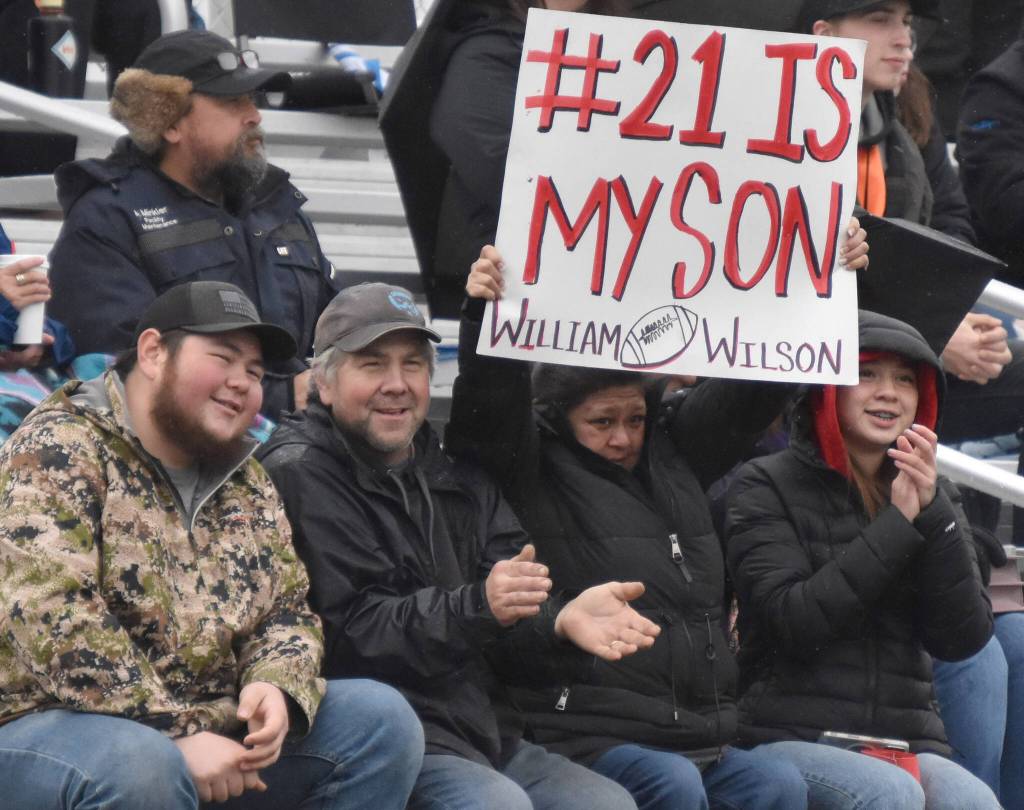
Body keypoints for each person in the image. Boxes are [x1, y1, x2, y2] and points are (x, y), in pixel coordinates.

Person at [443, 242, 883, 809]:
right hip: (582, 732)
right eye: (601, 422)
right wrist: (486, 314)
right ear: (556, 417)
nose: (623, 437)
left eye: (635, 418)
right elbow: (488, 402)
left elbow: (755, 384)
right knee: (671, 784)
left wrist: (817, 275)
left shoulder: (674, 453)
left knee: (773, 786)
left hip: (699, 734)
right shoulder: (529, 468)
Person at [0, 280, 424, 809]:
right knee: (140, 766)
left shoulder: (243, 475)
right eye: (223, 358)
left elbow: (287, 611)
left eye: (255, 372)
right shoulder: (59, 446)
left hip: (203, 728)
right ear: (153, 353)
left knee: (380, 721)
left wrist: (274, 685)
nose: (241, 383)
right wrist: (174, 732)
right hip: (46, 726)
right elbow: (49, 613)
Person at [257, 282, 659, 810]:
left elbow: (509, 608)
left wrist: (560, 622)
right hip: (380, 740)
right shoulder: (300, 473)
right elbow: (352, 632)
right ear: (324, 385)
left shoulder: (453, 473)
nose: (397, 385)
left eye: (412, 365)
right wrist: (479, 606)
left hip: (480, 730)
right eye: (373, 365)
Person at [803, 2, 1024, 800]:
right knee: (976, 659)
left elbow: (954, 224)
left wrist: (950, 315)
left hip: (902, 381)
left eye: (908, 19)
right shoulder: (777, 132)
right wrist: (934, 329)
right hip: (813, 409)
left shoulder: (904, 117)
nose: (904, 37)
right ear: (824, 36)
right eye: (879, 19)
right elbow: (795, 278)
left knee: (1009, 645)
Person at [725, 309, 999, 809]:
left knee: (973, 799)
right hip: (785, 734)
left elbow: (962, 638)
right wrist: (897, 524)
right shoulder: (764, 484)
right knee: (889, 793)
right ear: (828, 389)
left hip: (903, 740)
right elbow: (796, 622)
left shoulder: (936, 496)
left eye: (904, 380)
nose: (889, 393)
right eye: (866, 374)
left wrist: (932, 512)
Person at [47, 29, 341, 419]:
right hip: (181, 450)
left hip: (305, 441)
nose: (254, 116)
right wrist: (282, 397)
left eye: (252, 99)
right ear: (169, 122)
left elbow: (341, 325)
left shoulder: (277, 205)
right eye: (233, 101)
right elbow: (118, 375)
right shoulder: (108, 218)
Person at [429, 0, 630, 315]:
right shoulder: (486, 52)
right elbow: (496, 164)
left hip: (610, 286)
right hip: (512, 295)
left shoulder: (631, 50)